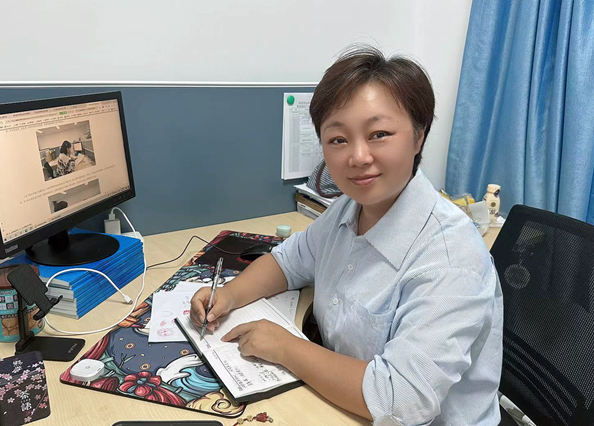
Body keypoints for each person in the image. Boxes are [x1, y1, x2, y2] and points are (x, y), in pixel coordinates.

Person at [190, 46, 503, 425]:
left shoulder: (451, 257)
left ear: (418, 137)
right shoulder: (349, 207)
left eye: (379, 134)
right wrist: (227, 296)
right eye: (338, 139)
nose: (357, 157)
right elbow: (287, 263)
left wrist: (286, 348)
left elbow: (400, 400)